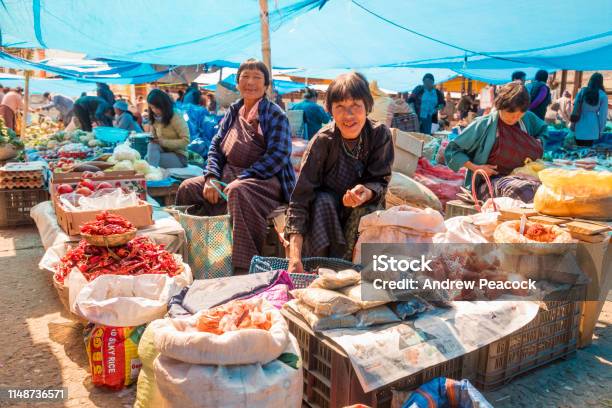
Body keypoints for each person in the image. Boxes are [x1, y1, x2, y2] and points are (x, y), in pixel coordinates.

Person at [175, 59, 295, 275]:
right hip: (228, 175)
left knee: (237, 191)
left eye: (257, 78)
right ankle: (197, 253)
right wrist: (211, 176)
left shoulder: (274, 113)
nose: (250, 82)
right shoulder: (233, 111)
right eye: (245, 77)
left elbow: (278, 155)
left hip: (264, 180)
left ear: (266, 85)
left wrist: (244, 177)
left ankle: (244, 267)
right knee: (187, 188)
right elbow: (215, 147)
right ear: (238, 83)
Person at [285, 72, 394, 274]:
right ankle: (319, 269)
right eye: (340, 107)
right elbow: (300, 200)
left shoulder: (380, 135)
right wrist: (294, 256)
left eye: (355, 107)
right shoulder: (322, 141)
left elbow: (381, 180)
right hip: (326, 218)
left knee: (366, 211)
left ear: (367, 107)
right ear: (331, 111)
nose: (349, 116)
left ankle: (362, 272)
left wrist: (367, 192)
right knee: (323, 201)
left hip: (363, 212)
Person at [445, 81, 547, 203]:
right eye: (510, 113)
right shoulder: (483, 124)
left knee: (545, 190)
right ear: (500, 106)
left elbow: (543, 130)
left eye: (519, 114)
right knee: (520, 190)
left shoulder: (527, 118)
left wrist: (538, 142)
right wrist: (476, 167)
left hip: (523, 178)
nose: (514, 118)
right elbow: (452, 151)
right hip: (488, 183)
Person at [145, 89, 190, 168]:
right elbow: (155, 141)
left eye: (157, 107)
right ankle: (152, 173)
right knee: (151, 146)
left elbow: (186, 141)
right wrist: (153, 139)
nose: (154, 110)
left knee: (148, 160)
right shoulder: (155, 118)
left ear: (164, 105)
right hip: (164, 151)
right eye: (152, 108)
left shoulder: (176, 116)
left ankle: (152, 175)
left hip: (179, 156)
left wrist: (163, 142)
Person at [571, 72, 608, 147]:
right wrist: (601, 131)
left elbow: (575, 108)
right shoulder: (602, 95)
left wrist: (572, 124)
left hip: (579, 123)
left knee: (577, 151)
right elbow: (603, 116)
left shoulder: (582, 91)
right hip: (593, 126)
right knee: (587, 153)